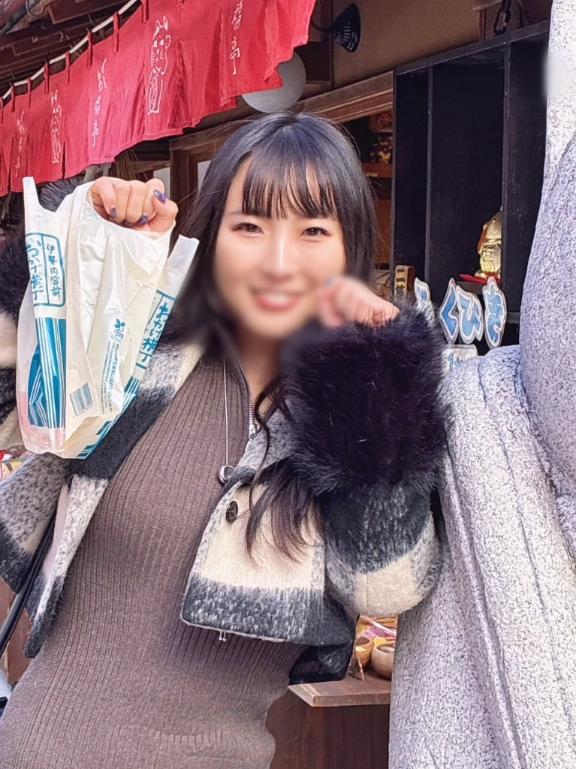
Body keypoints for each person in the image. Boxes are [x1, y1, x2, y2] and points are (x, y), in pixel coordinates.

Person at [0, 112, 444, 769]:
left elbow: (386, 587)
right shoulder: (138, 357)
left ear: (350, 248)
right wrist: (90, 250)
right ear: (211, 238)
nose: (279, 260)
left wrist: (375, 389)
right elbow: (14, 393)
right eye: (250, 226)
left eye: (313, 230)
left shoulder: (350, 413)